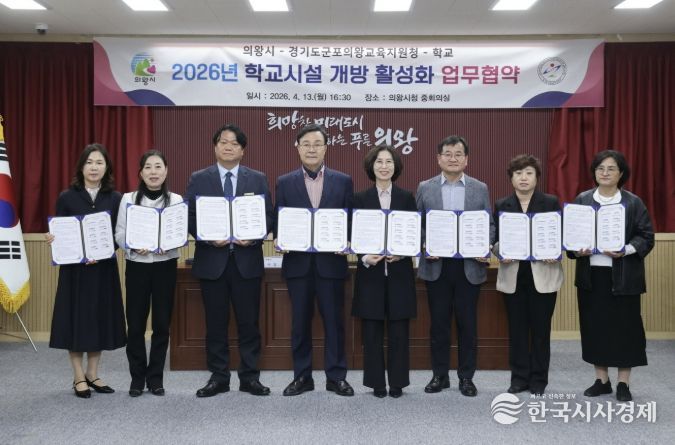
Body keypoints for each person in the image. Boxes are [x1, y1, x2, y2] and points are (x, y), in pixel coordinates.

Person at [184, 124, 273, 397]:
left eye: (234, 143)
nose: (228, 147)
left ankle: (250, 377)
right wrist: (208, 237)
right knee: (215, 324)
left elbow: (268, 216)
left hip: (246, 262)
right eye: (223, 142)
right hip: (212, 262)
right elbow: (190, 217)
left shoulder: (257, 179)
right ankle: (219, 377)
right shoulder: (199, 178)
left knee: (249, 324)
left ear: (242, 150)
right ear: (215, 147)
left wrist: (254, 237)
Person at [275, 123, 355, 397]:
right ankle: (302, 377)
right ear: (297, 148)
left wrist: (348, 240)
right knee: (299, 324)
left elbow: (350, 220)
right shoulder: (285, 182)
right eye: (306, 144)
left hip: (331, 264)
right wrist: (280, 237)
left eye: (317, 144)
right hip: (298, 265)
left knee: (334, 323)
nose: (311, 149)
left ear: (326, 148)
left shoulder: (343, 180)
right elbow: (279, 218)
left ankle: (336, 377)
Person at [568, 150, 654, 402]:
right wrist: (576, 249)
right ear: (594, 172)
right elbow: (570, 238)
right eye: (600, 168)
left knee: (626, 329)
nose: (605, 173)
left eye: (611, 168)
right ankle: (601, 380)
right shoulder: (583, 200)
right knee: (595, 327)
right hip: (591, 277)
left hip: (624, 277)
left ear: (621, 173)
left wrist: (625, 249)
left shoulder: (633, 202)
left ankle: (623, 383)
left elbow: (646, 236)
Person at [416, 135, 494, 397]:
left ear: (466, 159)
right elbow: (417, 224)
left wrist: (486, 245)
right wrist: (424, 244)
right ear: (439, 159)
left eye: (458, 154)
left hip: (468, 267)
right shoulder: (425, 187)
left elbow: (488, 224)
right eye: (447, 154)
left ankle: (466, 377)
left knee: (467, 325)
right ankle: (439, 375)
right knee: (439, 325)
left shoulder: (479, 188)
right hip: (436, 266)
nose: (453, 158)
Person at [47, 143, 126, 398]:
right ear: (81, 167)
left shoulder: (115, 198)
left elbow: (118, 235)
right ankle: (78, 375)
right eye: (89, 162)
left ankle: (93, 373)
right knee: (76, 320)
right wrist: (53, 238)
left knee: (98, 319)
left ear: (107, 168)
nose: (94, 167)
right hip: (75, 272)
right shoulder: (67, 197)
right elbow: (60, 231)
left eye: (99, 163)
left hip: (103, 270)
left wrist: (102, 251)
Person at [114, 150, 182, 397]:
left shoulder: (176, 200)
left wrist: (170, 243)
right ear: (141, 173)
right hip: (138, 266)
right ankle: (137, 378)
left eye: (158, 166)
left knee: (162, 324)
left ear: (166, 171)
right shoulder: (128, 199)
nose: (153, 172)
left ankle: (155, 378)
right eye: (148, 167)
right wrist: (132, 245)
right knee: (135, 324)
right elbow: (120, 232)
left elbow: (180, 232)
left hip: (165, 265)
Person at [493, 155, 563, 395]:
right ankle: (519, 378)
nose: (523, 178)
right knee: (517, 330)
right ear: (511, 178)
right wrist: (499, 251)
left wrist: (555, 250)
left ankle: (539, 380)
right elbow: (494, 239)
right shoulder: (502, 204)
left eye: (529, 173)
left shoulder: (550, 202)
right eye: (518, 173)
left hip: (543, 274)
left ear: (537, 177)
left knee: (541, 331)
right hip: (514, 275)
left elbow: (559, 235)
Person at [352, 145, 417, 398]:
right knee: (372, 332)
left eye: (389, 162)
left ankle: (398, 382)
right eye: (379, 161)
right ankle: (376, 383)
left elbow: (414, 234)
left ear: (395, 167)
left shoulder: (406, 198)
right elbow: (353, 235)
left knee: (399, 331)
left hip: (400, 274)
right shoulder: (359, 198)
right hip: (371, 275)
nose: (384, 166)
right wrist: (364, 257)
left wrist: (403, 253)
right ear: (371, 166)